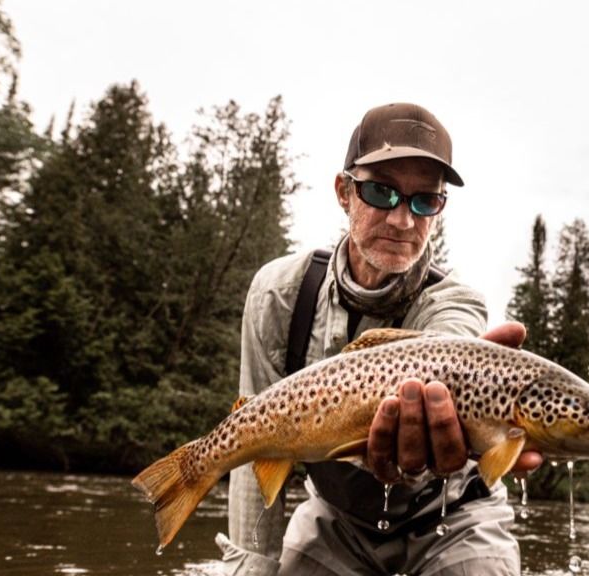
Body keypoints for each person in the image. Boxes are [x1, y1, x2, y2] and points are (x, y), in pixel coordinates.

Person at [217, 103, 541, 576]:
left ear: (439, 209)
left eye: (424, 201)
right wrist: (253, 568)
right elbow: (252, 445)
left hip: (454, 517)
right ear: (343, 192)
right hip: (336, 522)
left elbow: (450, 344)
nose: (403, 221)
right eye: (381, 192)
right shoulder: (278, 295)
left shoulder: (457, 303)